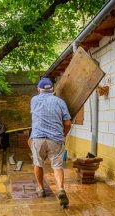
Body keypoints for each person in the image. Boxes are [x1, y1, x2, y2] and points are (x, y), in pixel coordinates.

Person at [30, 77, 72, 207]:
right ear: (53, 89)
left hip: (38, 139)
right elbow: (68, 123)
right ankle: (60, 189)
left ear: (39, 89)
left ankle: (41, 189)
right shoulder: (59, 102)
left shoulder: (34, 100)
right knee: (57, 166)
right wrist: (63, 135)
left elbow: (42, 99)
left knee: (38, 163)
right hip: (56, 139)